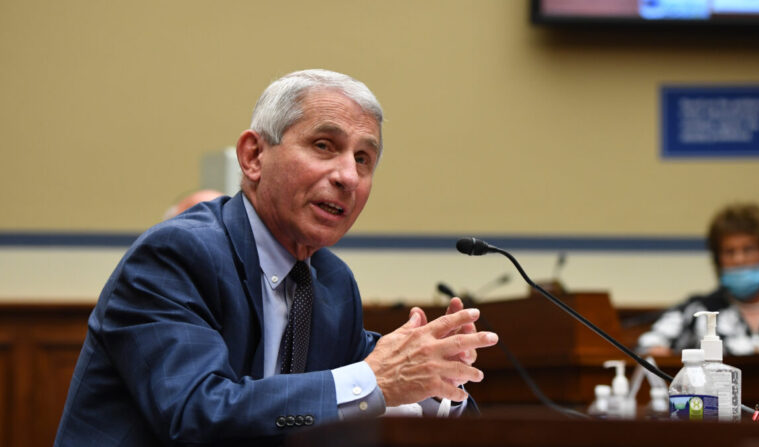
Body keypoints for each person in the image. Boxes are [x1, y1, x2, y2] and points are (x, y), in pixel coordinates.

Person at [54, 69, 499, 446]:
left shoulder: (330, 283)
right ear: (253, 156)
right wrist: (376, 381)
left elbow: (368, 379)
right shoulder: (177, 256)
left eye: (364, 159)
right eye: (325, 145)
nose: (348, 175)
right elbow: (194, 414)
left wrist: (438, 383)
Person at [638, 202, 759, 357]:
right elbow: (647, 346)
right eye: (729, 251)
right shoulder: (696, 311)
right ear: (718, 260)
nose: (738, 259)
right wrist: (655, 352)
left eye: (748, 249)